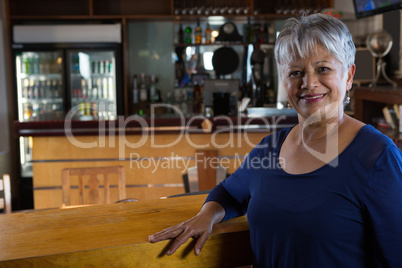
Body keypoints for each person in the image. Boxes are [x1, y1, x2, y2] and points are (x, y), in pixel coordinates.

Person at [149, 13, 402, 267]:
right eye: (295, 72)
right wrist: (206, 215)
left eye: (323, 69)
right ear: (284, 80)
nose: (309, 83)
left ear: (348, 76)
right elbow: (228, 193)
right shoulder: (269, 150)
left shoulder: (378, 158)